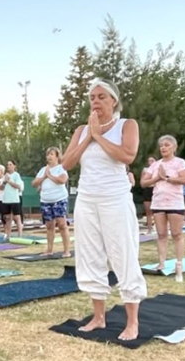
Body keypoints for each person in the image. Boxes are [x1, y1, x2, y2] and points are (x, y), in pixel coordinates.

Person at [61, 79, 146, 341]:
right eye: (92, 98)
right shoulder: (81, 130)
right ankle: (98, 317)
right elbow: (67, 163)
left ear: (114, 101)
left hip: (115, 198)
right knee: (90, 255)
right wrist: (89, 134)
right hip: (87, 199)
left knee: (123, 254)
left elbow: (127, 156)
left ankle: (132, 322)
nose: (95, 101)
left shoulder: (126, 125)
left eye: (101, 97)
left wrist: (98, 136)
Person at [141, 135, 185, 282]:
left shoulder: (180, 162)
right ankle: (161, 263)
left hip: (175, 202)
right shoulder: (155, 165)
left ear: (174, 147)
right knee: (161, 234)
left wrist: (167, 178)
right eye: (161, 145)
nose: (163, 147)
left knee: (176, 234)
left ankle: (179, 264)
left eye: (167, 145)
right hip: (158, 202)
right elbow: (143, 182)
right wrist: (157, 178)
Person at [33, 147, 71, 257]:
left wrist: (49, 175)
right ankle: (49, 250)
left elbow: (62, 180)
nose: (49, 156)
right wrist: (44, 176)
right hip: (45, 200)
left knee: (62, 225)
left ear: (57, 156)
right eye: (48, 154)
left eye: (51, 154)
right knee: (49, 226)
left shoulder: (61, 168)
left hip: (59, 199)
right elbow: (34, 183)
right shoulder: (43, 170)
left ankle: (66, 251)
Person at [1, 160, 24, 238]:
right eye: (8, 164)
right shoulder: (5, 175)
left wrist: (9, 181)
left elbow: (18, 186)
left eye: (10, 164)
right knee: (7, 218)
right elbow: (1, 188)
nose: (9, 166)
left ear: (14, 166)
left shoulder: (16, 175)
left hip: (14, 199)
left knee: (17, 217)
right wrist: (4, 182)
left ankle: (20, 235)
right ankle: (8, 235)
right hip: (6, 199)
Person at [139, 157, 156, 234]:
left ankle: (157, 227)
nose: (150, 162)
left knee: (157, 210)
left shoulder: (158, 169)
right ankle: (149, 228)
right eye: (149, 161)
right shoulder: (145, 170)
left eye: (152, 160)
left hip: (156, 189)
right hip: (147, 190)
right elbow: (142, 182)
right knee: (148, 211)